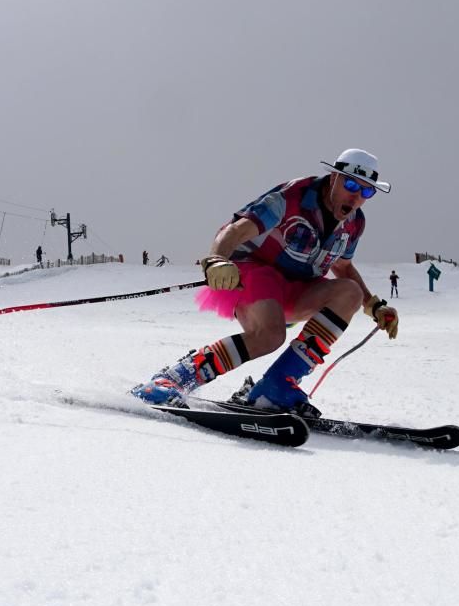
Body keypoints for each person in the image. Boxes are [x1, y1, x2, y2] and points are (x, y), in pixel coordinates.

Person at [132, 148, 399, 411]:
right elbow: (235, 231)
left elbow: (344, 267)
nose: (356, 197)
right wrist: (217, 260)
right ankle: (174, 378)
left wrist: (375, 306)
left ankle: (277, 386)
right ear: (333, 178)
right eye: (351, 184)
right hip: (253, 272)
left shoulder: (354, 223)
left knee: (349, 292)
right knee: (269, 336)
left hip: (297, 288)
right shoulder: (293, 197)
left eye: (366, 191)